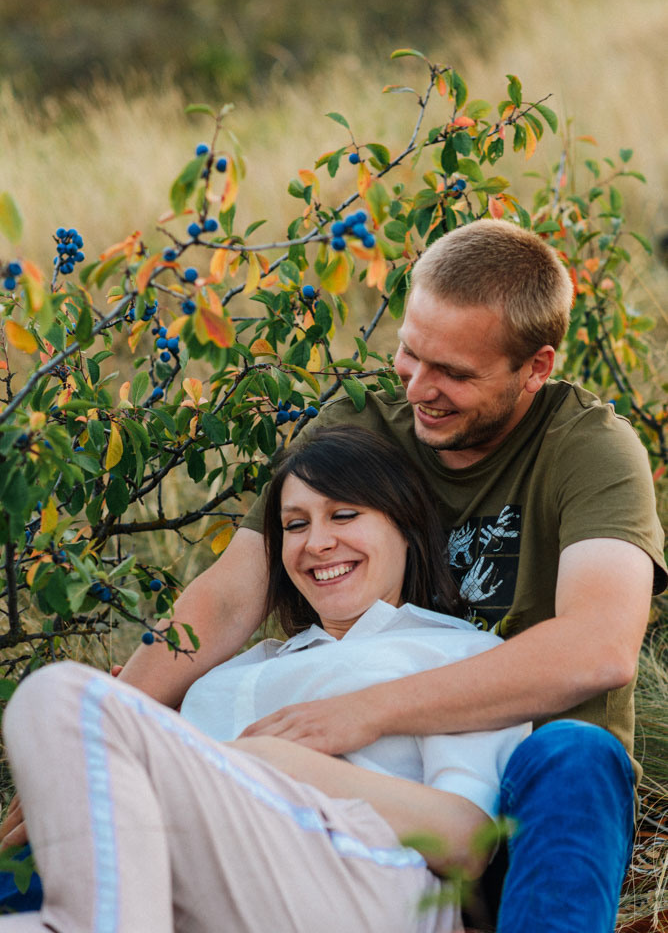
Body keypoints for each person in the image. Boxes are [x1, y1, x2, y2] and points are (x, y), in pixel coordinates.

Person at [2, 218, 665, 930]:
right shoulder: (362, 425)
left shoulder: (587, 447)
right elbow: (230, 594)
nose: (420, 391)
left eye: (455, 374)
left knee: (577, 754)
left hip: (525, 802)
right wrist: (98, 743)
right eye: (411, 354)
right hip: (328, 823)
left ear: (536, 367)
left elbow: (598, 646)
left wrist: (359, 712)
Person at [0, 428, 529, 933]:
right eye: (295, 526)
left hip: (364, 880)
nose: (317, 543)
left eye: (344, 515)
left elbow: (464, 838)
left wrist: (279, 764)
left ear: (407, 529)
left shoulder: (459, 653)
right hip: (202, 882)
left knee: (56, 695)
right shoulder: (242, 668)